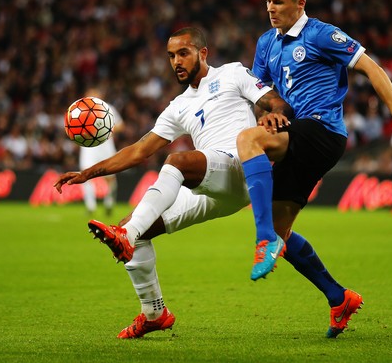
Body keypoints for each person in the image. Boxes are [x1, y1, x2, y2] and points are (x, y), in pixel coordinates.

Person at [235, 0, 392, 338]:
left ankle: (262, 239)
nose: (270, 8)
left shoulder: (320, 34)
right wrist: (266, 111)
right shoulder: (266, 42)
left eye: (278, 1)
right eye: (267, 0)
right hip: (296, 133)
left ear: (300, 3)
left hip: (322, 130)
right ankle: (338, 296)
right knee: (282, 232)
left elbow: (371, 68)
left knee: (248, 141)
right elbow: (259, 93)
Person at [53, 27, 292, 339]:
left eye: (183, 53)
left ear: (202, 53)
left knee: (177, 161)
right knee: (137, 230)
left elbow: (274, 100)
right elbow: (139, 150)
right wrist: (88, 173)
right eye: (171, 56)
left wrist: (275, 113)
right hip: (212, 188)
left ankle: (126, 234)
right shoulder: (177, 106)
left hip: (240, 168)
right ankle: (154, 312)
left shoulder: (232, 74)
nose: (176, 61)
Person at [79, 88, 124, 217]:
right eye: (90, 94)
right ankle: (90, 206)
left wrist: (107, 129)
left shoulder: (108, 108)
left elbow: (121, 125)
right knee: (85, 174)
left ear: (101, 96)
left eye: (95, 94)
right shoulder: (82, 110)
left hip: (105, 146)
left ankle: (109, 203)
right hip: (88, 147)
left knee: (110, 177)